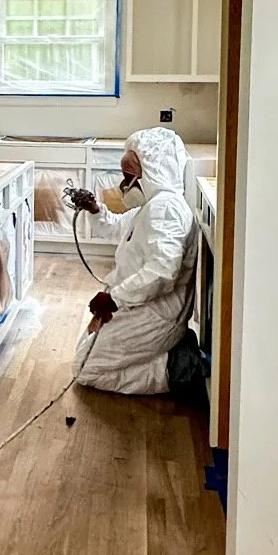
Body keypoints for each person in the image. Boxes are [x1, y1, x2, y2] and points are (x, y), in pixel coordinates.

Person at [69, 126, 207, 406]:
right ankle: (172, 353)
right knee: (86, 351)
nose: (124, 184)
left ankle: (180, 368)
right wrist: (96, 209)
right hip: (139, 304)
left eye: (129, 176)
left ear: (153, 171)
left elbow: (162, 271)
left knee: (87, 369)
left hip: (155, 313)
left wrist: (114, 299)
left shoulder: (165, 209)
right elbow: (118, 229)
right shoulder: (152, 206)